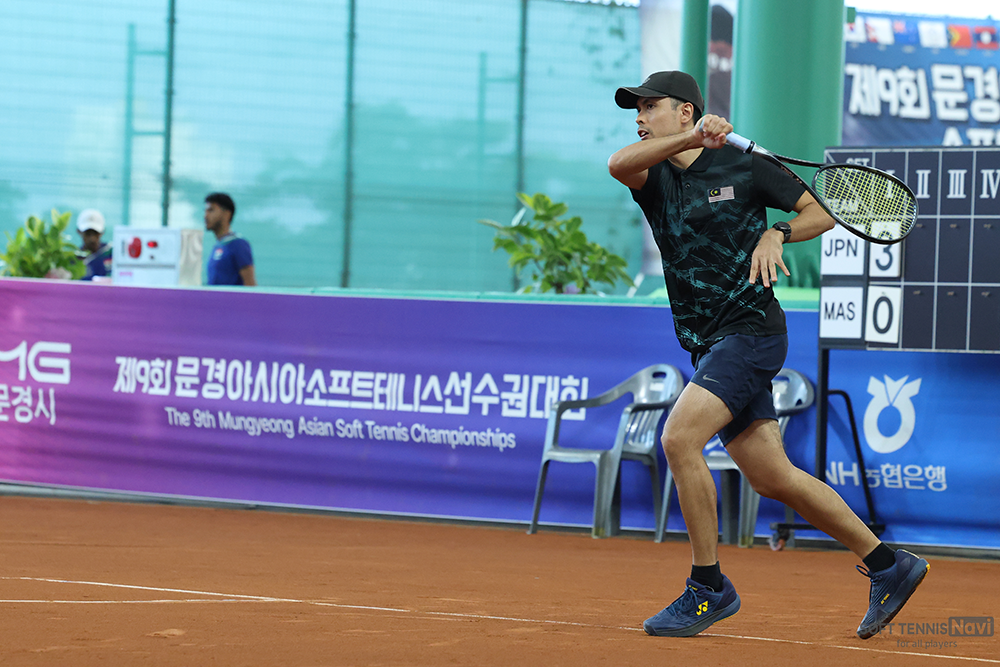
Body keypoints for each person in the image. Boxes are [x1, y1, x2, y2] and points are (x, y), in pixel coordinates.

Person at [608, 71, 928, 640]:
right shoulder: (652, 177)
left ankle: (708, 587)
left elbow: (820, 211)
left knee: (679, 438)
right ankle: (889, 565)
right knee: (771, 476)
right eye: (637, 109)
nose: (639, 117)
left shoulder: (745, 165)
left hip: (751, 331)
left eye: (650, 106)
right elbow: (618, 163)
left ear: (686, 109)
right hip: (708, 342)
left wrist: (777, 232)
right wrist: (691, 140)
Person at [204, 192, 256, 286]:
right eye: (205, 211)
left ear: (226, 214)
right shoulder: (218, 246)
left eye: (211, 210)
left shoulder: (238, 245)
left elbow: (250, 286)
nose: (206, 216)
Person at [76, 209, 112, 281]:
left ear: (102, 232)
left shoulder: (110, 254)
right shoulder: (74, 259)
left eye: (96, 233)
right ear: (79, 232)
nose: (92, 238)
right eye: (88, 233)